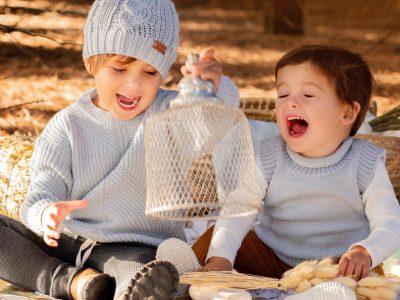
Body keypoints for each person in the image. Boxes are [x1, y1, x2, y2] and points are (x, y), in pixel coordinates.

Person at [0, 0, 240, 299]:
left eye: (150, 72)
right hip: (63, 241)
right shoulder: (67, 125)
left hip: (131, 249)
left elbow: (211, 124)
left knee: (148, 273)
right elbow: (41, 192)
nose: (134, 84)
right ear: (92, 64)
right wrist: (46, 213)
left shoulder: (170, 113)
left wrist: (213, 89)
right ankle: (68, 282)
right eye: (120, 68)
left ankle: (103, 288)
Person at [191, 45, 400, 281]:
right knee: (213, 243)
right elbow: (238, 209)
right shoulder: (269, 155)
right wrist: (221, 258)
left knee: (368, 281)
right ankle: (177, 274)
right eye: (283, 94)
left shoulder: (365, 162)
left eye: (308, 95)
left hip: (339, 267)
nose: (290, 102)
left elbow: (391, 222)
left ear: (347, 113)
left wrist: (367, 251)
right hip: (271, 257)